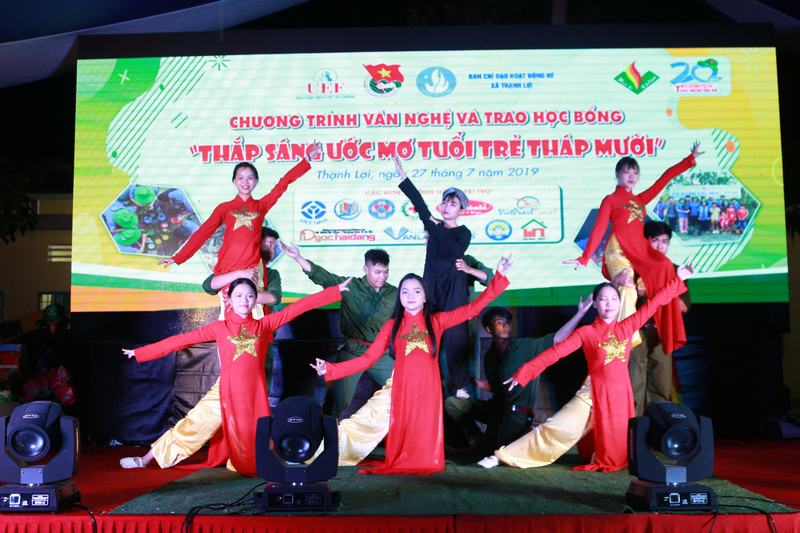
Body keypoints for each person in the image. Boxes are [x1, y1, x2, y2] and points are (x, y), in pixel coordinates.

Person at [121, 276, 349, 476]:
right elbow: (181, 340)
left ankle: (263, 462)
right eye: (238, 295)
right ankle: (146, 459)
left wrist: (335, 291)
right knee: (193, 425)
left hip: (254, 395)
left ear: (256, 300)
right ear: (229, 300)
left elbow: (299, 307)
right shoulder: (219, 328)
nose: (244, 300)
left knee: (257, 435)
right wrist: (142, 352)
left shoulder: (264, 325)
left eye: (250, 296)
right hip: (224, 391)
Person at [311, 255, 513, 475]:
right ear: (399, 297)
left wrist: (499, 276)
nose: (410, 296)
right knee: (364, 422)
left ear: (425, 296)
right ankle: (329, 451)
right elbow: (367, 359)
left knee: (424, 434)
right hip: (401, 388)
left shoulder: (436, 321)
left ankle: (421, 459)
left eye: (417, 291)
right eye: (405, 292)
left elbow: (473, 308)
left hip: (428, 390)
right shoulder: (391, 326)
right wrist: (331, 369)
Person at [505, 266, 693, 472]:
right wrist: (524, 373)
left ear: (620, 302)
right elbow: (555, 353)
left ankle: (605, 455)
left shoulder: (626, 327)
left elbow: (654, 303)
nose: (609, 304)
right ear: (595, 304)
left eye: (613, 299)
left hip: (621, 395)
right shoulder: (587, 332)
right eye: (603, 299)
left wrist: (678, 279)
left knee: (617, 450)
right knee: (557, 427)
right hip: (594, 392)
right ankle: (507, 455)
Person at [565, 142, 702, 357]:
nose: (631, 176)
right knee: (627, 286)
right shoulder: (610, 200)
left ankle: (662, 319)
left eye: (635, 173)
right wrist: (585, 257)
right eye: (627, 172)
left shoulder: (639, 200)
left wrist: (688, 160)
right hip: (618, 249)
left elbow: (663, 180)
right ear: (617, 174)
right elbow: (599, 229)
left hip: (637, 251)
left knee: (664, 265)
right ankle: (624, 336)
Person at [446, 296, 593, 457]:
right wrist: (476, 383)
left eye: (507, 323)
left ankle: (494, 442)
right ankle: (478, 439)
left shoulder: (525, 347)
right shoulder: (490, 356)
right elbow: (498, 388)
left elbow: (557, 338)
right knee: (453, 404)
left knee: (491, 453)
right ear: (489, 329)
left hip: (517, 415)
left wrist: (580, 313)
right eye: (499, 322)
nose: (505, 326)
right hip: (497, 409)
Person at [160, 147, 319, 291]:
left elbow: (283, 183)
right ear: (234, 181)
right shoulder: (224, 208)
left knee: (254, 308)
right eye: (241, 178)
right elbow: (202, 233)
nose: (245, 182)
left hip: (252, 270)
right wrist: (178, 257)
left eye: (250, 178)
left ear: (256, 182)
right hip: (228, 268)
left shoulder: (261, 206)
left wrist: (306, 160)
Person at [280, 243, 397, 417]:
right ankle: (328, 431)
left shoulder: (395, 293)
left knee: (401, 388)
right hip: (353, 350)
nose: (382, 276)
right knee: (337, 399)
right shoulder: (351, 286)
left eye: (386, 272)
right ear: (366, 269)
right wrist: (298, 257)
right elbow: (323, 277)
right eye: (377, 272)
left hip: (381, 352)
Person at [394, 156, 475, 398]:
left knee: (455, 334)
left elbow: (454, 249)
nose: (447, 206)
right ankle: (426, 380)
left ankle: (460, 384)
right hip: (431, 284)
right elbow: (419, 205)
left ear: (461, 210)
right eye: (445, 202)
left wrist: (435, 226)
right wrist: (403, 177)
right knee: (425, 330)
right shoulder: (434, 225)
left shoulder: (463, 232)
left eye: (453, 203)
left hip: (453, 287)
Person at [620, 221, 691, 417]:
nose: (660, 246)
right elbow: (619, 302)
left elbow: (683, 307)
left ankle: (657, 432)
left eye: (664, 241)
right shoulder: (632, 268)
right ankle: (634, 432)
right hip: (637, 333)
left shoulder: (675, 270)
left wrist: (669, 284)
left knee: (661, 387)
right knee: (635, 387)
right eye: (655, 241)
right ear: (646, 241)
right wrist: (637, 291)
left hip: (662, 332)